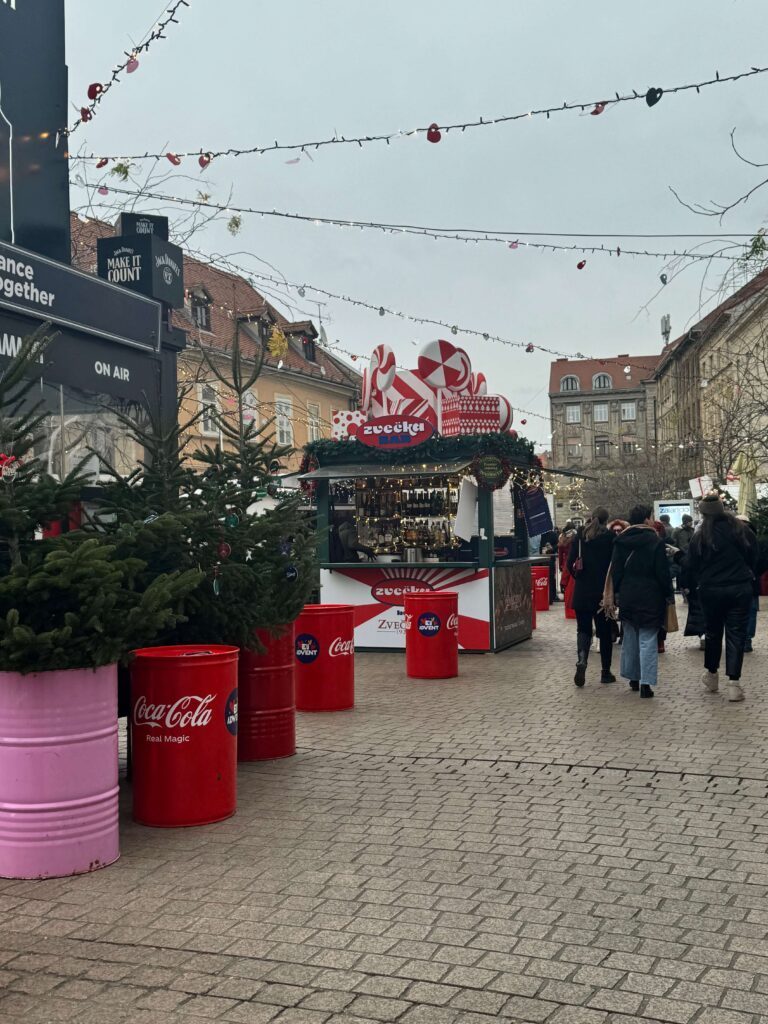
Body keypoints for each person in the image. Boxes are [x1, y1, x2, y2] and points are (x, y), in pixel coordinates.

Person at [686, 496, 758, 701]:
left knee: (713, 633)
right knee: (736, 635)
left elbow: (690, 564)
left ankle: (712, 674)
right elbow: (756, 556)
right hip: (739, 588)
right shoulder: (741, 530)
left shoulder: (700, 535)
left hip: (711, 590)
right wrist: (748, 575)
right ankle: (734, 684)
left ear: (703, 513)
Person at [606, 504, 673, 699]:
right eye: (651, 517)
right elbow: (662, 572)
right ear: (645, 519)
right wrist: (668, 593)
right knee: (648, 639)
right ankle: (646, 683)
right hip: (651, 596)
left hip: (628, 594)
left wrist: (617, 593)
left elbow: (616, 571)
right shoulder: (655, 541)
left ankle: (633, 677)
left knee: (630, 638)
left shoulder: (620, 541)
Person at [568, 508, 615, 688]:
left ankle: (582, 661)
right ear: (606, 520)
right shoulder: (610, 538)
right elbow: (614, 565)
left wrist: (578, 577)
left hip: (582, 591)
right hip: (602, 593)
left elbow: (570, 562)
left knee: (583, 630)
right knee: (604, 633)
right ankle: (605, 672)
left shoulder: (581, 535)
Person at [539, 527, 560, 603]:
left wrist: (552, 548)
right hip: (541, 558)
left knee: (551, 578)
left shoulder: (553, 535)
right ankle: (547, 596)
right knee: (546, 578)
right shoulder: (539, 535)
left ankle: (551, 596)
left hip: (550, 558)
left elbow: (557, 545)